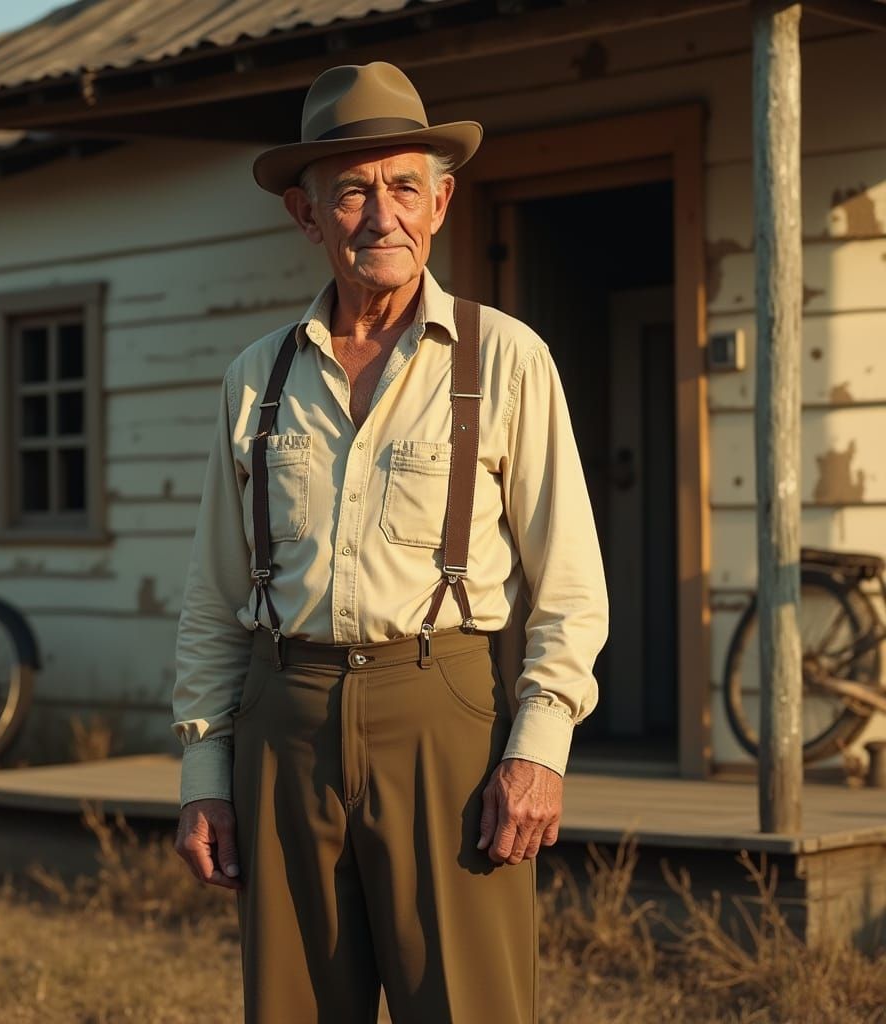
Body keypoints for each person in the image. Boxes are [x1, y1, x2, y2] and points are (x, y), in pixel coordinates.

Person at [172, 60, 608, 1024]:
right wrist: (206, 773)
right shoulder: (256, 376)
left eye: (405, 187)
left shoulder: (507, 357)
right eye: (353, 192)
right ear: (307, 214)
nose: (382, 215)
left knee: (466, 1006)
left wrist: (539, 751)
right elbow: (213, 595)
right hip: (283, 717)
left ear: (443, 202)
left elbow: (571, 584)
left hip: (443, 709)